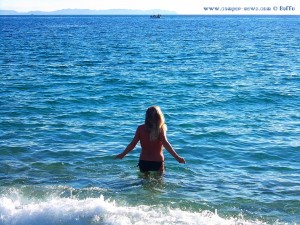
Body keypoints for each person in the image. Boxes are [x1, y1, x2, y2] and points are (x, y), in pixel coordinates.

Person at [115, 106, 185, 174]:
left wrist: (123, 154)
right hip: (157, 161)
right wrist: (177, 157)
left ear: (146, 117)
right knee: (159, 183)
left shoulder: (140, 128)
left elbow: (133, 144)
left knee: (144, 183)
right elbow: (166, 144)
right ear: (160, 117)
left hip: (144, 160)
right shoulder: (161, 129)